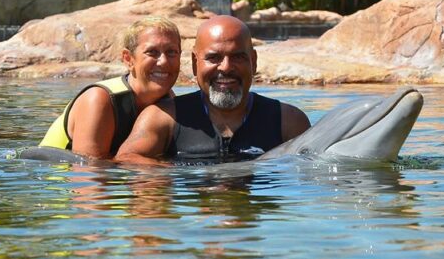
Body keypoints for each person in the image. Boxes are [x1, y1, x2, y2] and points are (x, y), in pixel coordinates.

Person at [115, 15, 311, 164]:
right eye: (213, 58)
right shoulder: (163, 118)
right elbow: (127, 160)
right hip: (196, 216)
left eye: (237, 57)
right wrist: (173, 174)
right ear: (194, 63)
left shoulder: (288, 121)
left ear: (254, 61)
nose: (226, 67)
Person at [38, 16, 182, 159]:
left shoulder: (168, 99)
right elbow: (88, 173)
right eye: (152, 52)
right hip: (57, 178)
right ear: (128, 58)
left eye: (172, 52)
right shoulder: (99, 99)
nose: (163, 62)